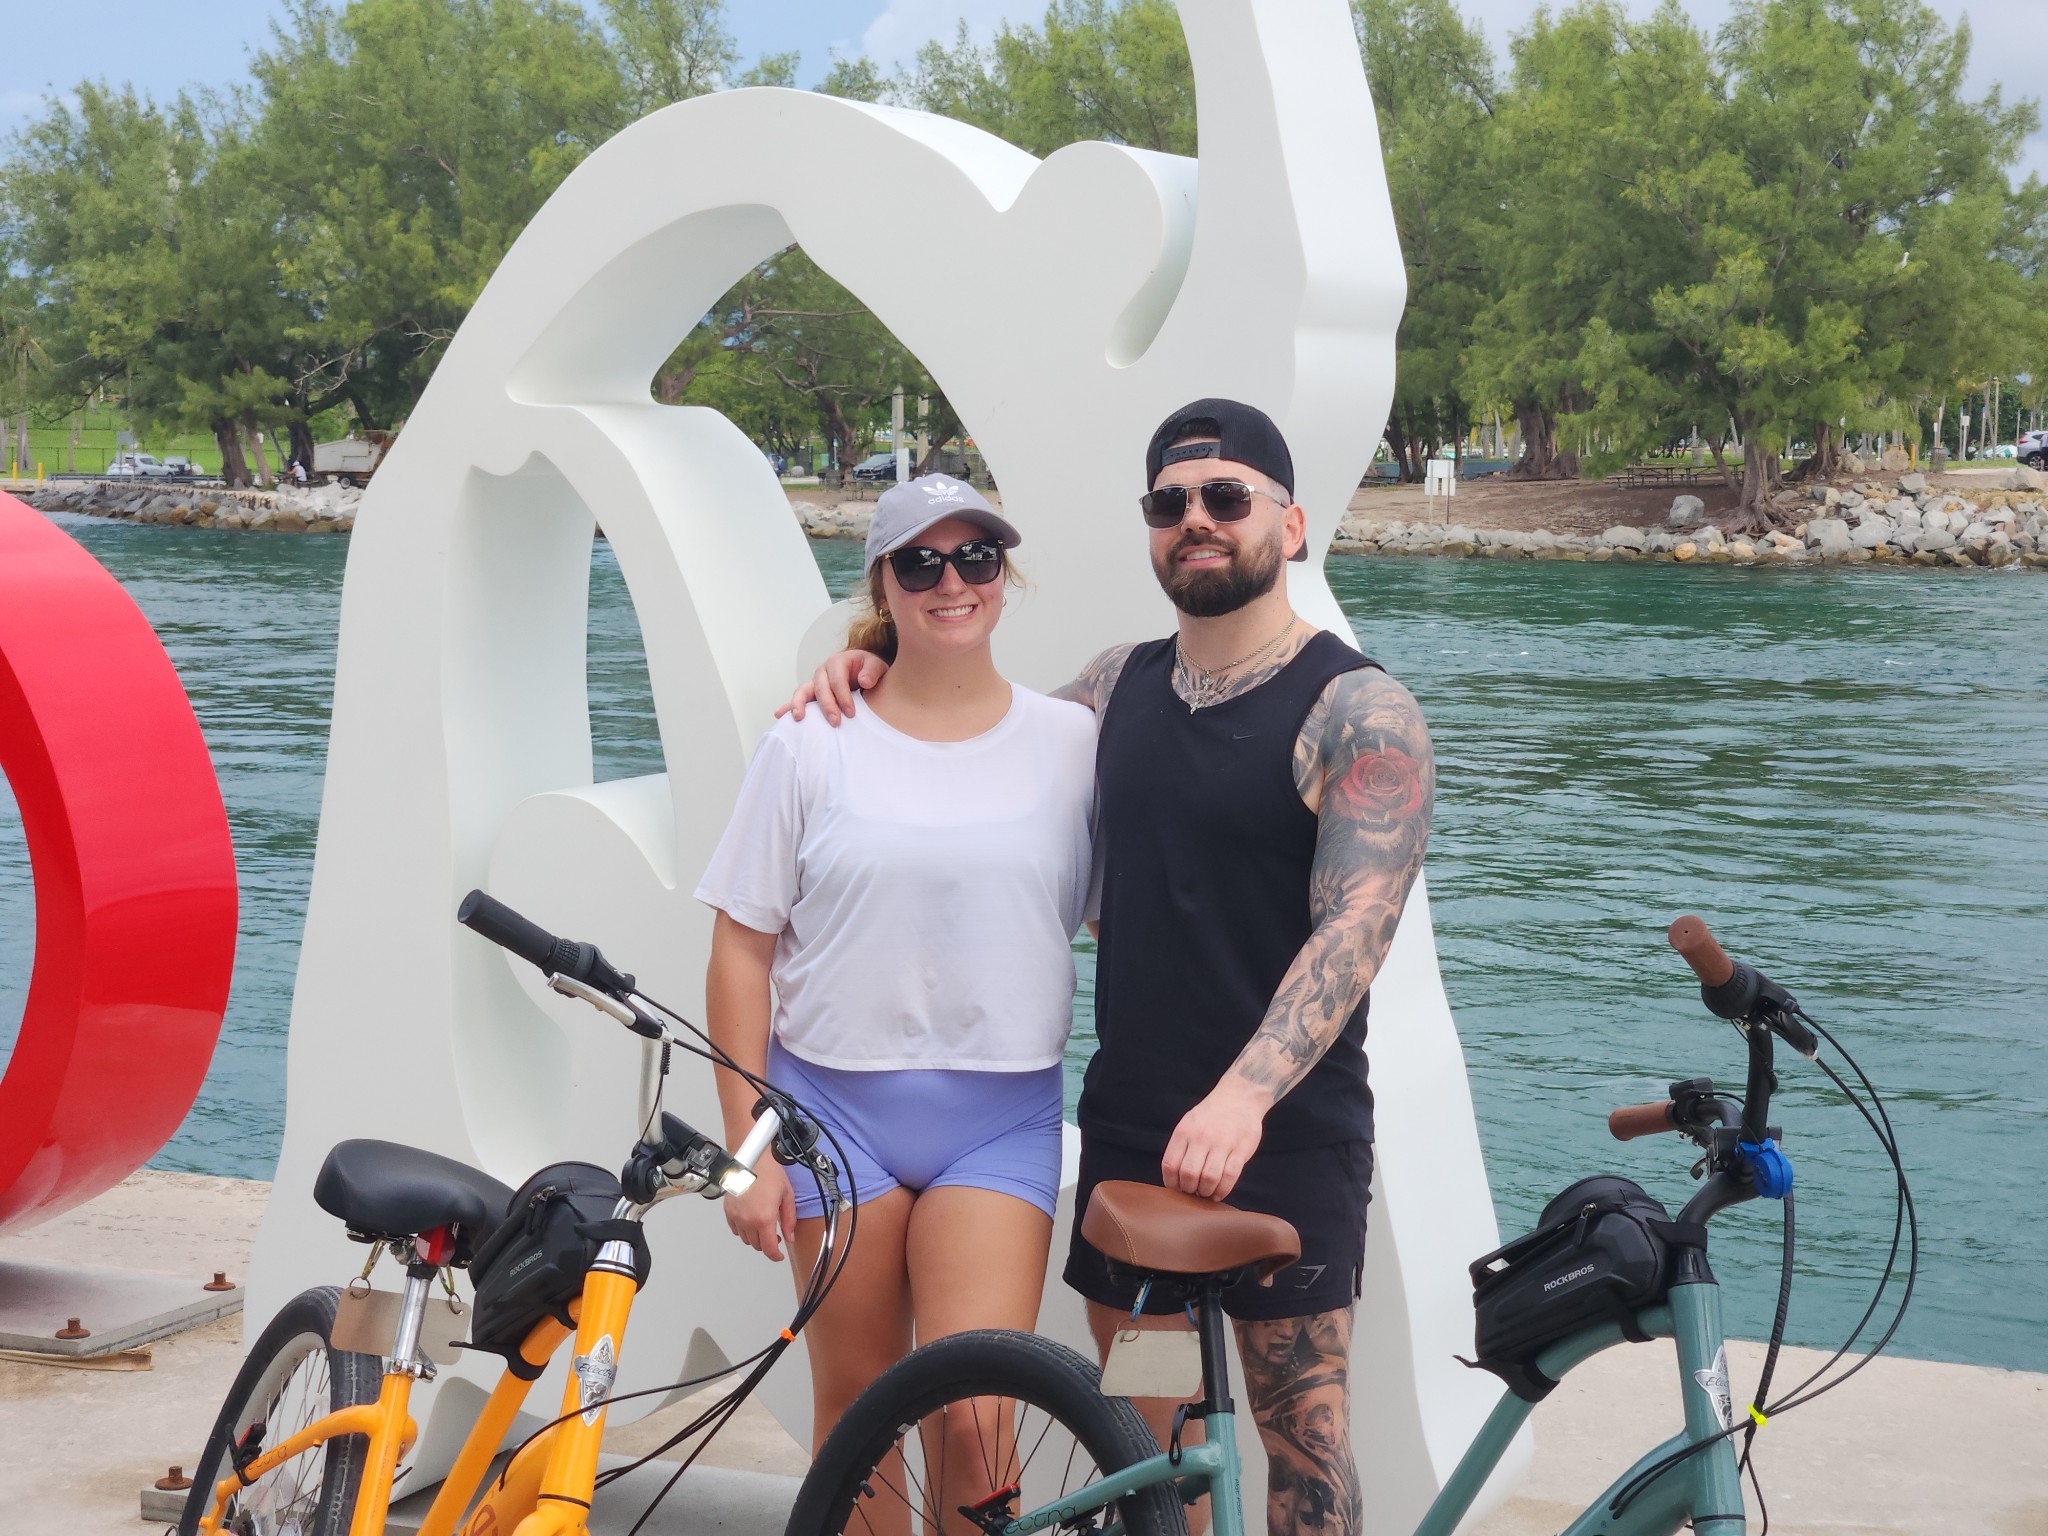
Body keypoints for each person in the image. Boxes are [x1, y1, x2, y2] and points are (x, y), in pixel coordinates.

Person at [785, 400, 1435, 1536]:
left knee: (1303, 1447)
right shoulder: (1107, 692)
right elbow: (976, 750)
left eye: (1224, 498)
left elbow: (1355, 928)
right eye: (1169, 502)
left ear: (1286, 523)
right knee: (1153, 1458)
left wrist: (1243, 1096)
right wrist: (867, 664)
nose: (1195, 520)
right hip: (1134, 1131)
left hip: (1286, 1135)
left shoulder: (1356, 709)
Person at [694, 473, 1099, 1473]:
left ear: (1003, 577)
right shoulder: (805, 740)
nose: (949, 581)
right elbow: (739, 946)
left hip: (998, 1120)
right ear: (882, 584)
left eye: (975, 557)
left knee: (977, 1416)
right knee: (859, 1411)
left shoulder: (1073, 743)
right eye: (919, 561)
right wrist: (745, 1152)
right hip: (828, 1114)